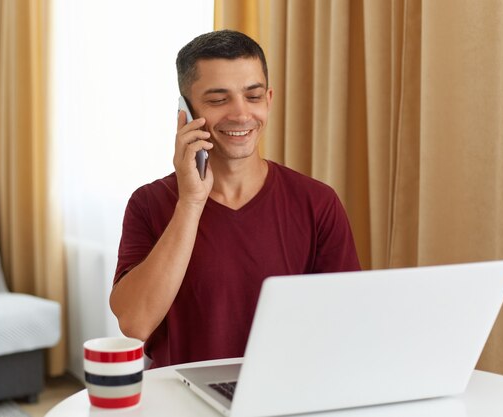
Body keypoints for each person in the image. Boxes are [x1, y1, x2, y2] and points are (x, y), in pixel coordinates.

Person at [110, 30, 360, 368]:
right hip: (181, 398)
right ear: (185, 112)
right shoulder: (149, 203)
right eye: (218, 100)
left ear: (269, 99)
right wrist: (191, 202)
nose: (241, 114)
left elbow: (344, 322)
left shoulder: (317, 203)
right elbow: (135, 324)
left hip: (286, 393)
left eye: (253, 96)